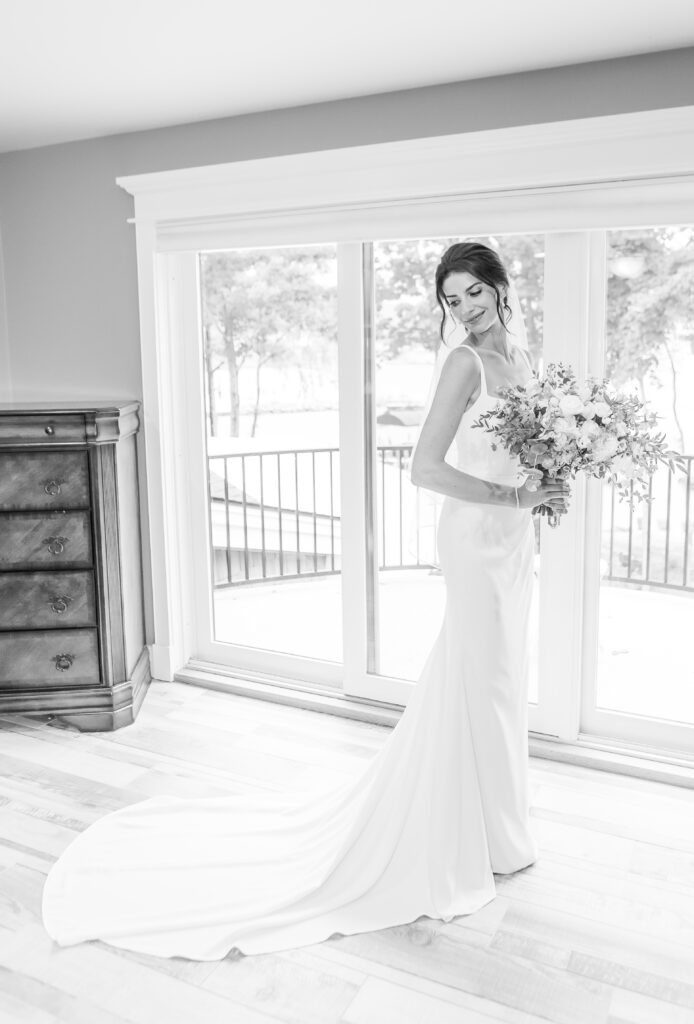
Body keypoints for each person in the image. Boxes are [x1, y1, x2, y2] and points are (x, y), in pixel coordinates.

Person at [41, 242, 571, 962]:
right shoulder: (464, 364)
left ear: (500, 287)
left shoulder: (524, 358)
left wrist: (548, 478)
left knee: (502, 681)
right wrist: (513, 494)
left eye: (474, 291)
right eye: (452, 299)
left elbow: (526, 446)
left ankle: (496, 824)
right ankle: (479, 832)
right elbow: (423, 468)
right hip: (477, 540)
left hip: (513, 542)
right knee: (486, 679)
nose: (466, 308)